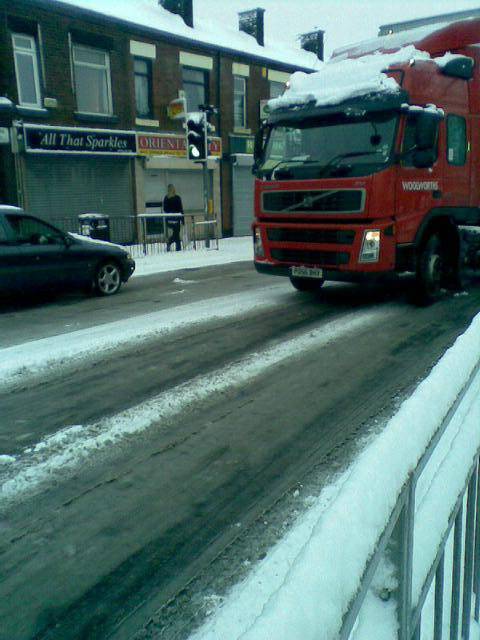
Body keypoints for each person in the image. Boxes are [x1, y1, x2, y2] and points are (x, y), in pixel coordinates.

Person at [163, 184, 185, 252]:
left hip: (170, 219)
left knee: (176, 233)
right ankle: (176, 247)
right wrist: (182, 219)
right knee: (176, 233)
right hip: (176, 218)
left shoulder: (166, 198)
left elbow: (165, 209)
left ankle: (174, 245)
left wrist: (171, 212)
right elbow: (181, 209)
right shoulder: (177, 197)